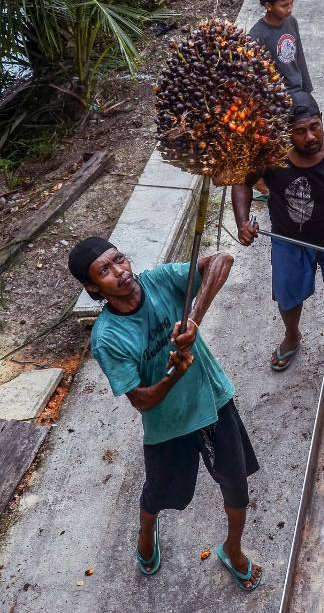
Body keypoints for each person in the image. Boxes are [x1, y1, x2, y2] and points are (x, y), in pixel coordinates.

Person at [68, 238, 263, 591]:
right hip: (167, 425)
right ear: (93, 287)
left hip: (212, 400)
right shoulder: (107, 337)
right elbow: (140, 399)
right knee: (160, 493)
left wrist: (193, 318)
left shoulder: (159, 280)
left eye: (119, 259)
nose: (120, 272)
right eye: (105, 271)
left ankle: (232, 548)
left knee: (236, 484)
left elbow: (223, 258)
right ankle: (146, 527)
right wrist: (174, 375)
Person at [232, 93, 324, 372]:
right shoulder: (271, 156)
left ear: (322, 121)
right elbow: (242, 183)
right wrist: (242, 222)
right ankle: (292, 336)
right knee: (287, 295)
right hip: (289, 240)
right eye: (300, 131)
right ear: (286, 132)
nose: (311, 136)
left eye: (315, 126)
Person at [248, 0, 313, 97]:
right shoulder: (256, 36)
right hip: (278, 97)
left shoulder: (291, 22)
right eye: (284, 6)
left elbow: (299, 56)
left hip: (298, 91)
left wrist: (307, 89)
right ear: (268, 6)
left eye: (291, 3)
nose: (290, 9)